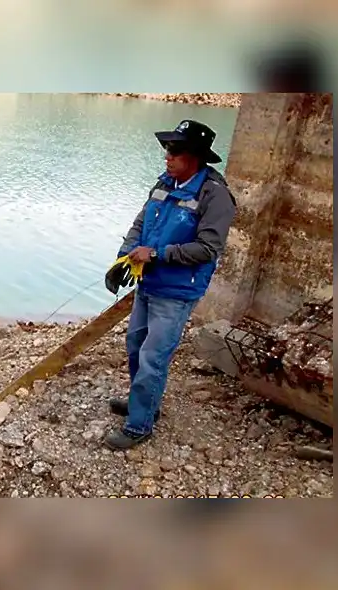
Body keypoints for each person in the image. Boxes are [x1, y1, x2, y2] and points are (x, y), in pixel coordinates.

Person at [104, 120, 237, 450]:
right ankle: (144, 405)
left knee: (153, 357)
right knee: (135, 347)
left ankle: (139, 426)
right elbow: (140, 223)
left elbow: (208, 249)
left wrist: (157, 254)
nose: (167, 156)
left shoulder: (215, 196)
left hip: (176, 293)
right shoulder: (165, 182)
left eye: (175, 150)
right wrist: (124, 259)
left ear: (195, 156)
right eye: (167, 149)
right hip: (148, 284)